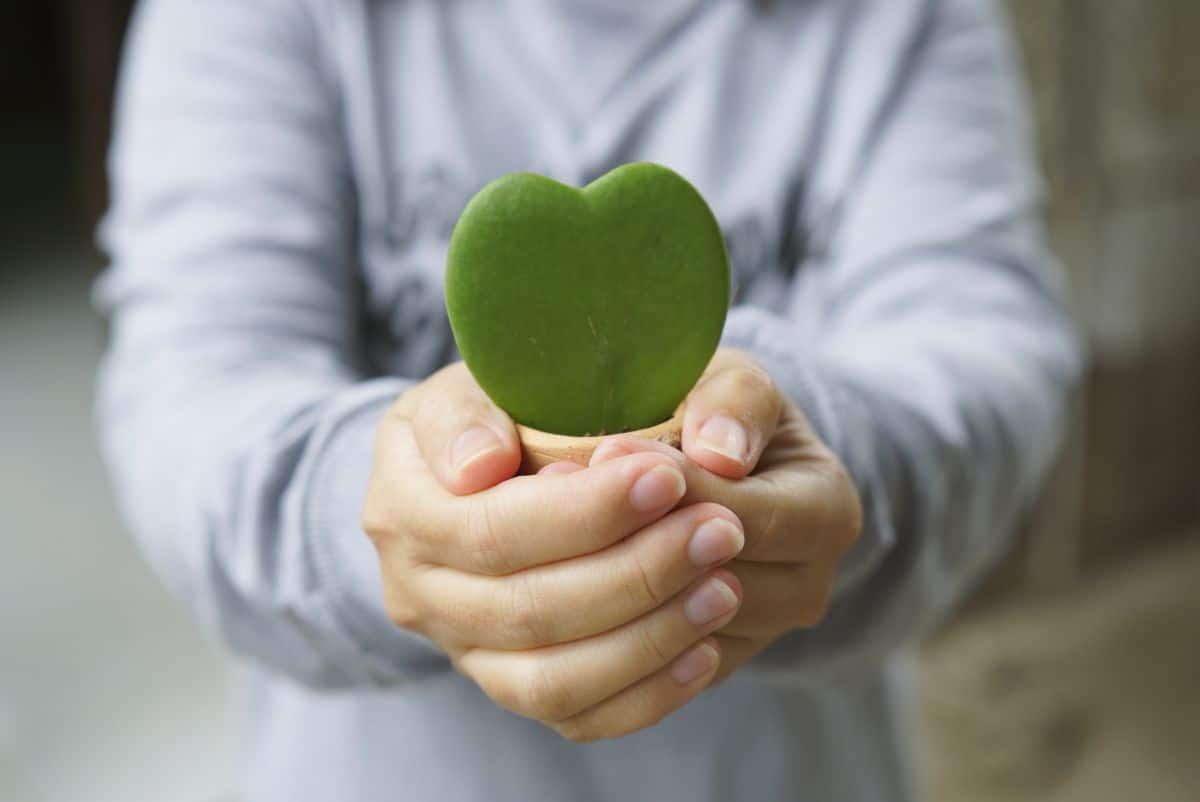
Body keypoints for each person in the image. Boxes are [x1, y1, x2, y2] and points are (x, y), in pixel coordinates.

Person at [94, 1, 1082, 800]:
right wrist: (377, 511)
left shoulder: (905, 20)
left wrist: (821, 446)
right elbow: (192, 384)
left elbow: (989, 343)